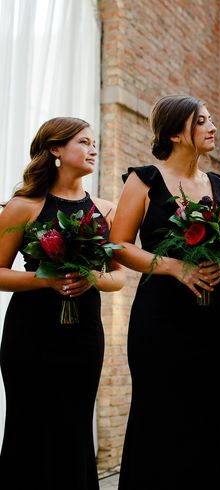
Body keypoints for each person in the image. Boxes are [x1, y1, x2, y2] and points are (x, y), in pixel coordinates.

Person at [110, 95, 220, 488]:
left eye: (211, 120)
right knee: (159, 411)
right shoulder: (143, 179)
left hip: (211, 313)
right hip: (160, 317)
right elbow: (119, 245)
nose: (212, 127)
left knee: (207, 411)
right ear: (176, 133)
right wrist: (174, 267)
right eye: (201, 121)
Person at [0, 117, 125, 489]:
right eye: (83, 142)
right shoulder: (23, 206)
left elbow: (118, 277)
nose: (93, 149)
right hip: (30, 334)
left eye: (94, 143)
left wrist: (91, 277)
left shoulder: (106, 209)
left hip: (83, 333)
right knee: (28, 424)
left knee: (74, 424)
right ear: (55, 149)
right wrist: (46, 278)